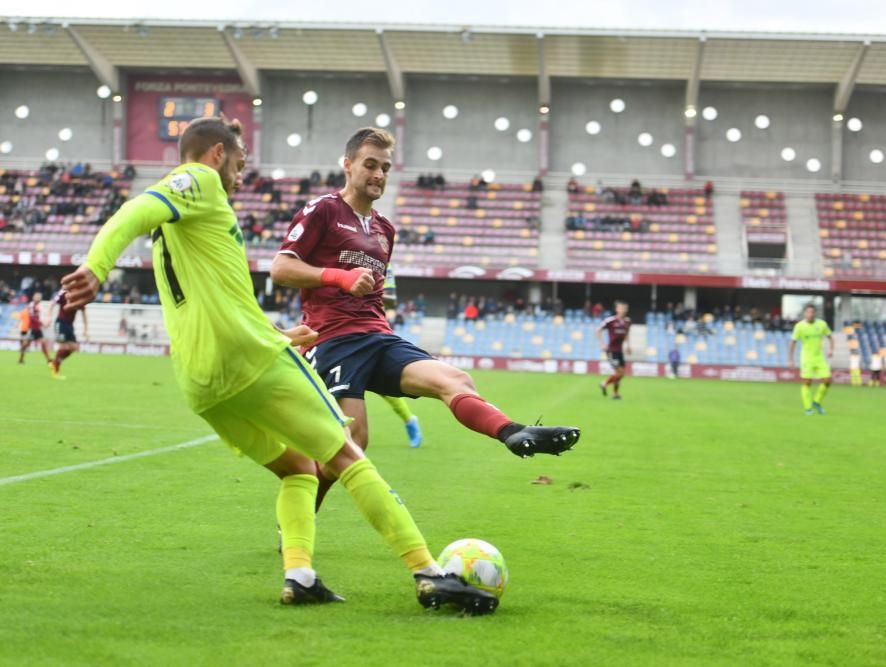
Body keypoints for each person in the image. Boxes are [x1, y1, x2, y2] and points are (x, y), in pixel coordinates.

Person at [59, 115, 496, 614]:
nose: (244, 172)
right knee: (347, 452)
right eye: (241, 160)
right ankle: (429, 574)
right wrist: (96, 267)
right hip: (248, 361)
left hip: (202, 381)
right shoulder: (199, 182)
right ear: (218, 154)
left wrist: (279, 335)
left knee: (299, 469)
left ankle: (300, 575)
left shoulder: (183, 224)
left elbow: (218, 299)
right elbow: (133, 210)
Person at [270, 127, 581, 509]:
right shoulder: (323, 209)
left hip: (378, 337)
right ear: (348, 165)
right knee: (353, 443)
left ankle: (513, 431)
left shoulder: (386, 230)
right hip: (332, 339)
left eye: (385, 167)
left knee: (455, 379)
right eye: (370, 165)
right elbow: (281, 269)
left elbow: (375, 293)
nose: (378, 175)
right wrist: (338, 276)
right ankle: (299, 520)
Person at [381, 264, 422, 448]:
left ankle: (409, 420)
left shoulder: (383, 263)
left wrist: (359, 293)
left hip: (372, 329)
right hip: (339, 331)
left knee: (386, 389)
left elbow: (390, 299)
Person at [788, 304, 833, 415]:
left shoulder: (822, 324)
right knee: (807, 383)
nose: (810, 314)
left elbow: (830, 337)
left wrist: (831, 349)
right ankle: (808, 408)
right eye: (808, 312)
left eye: (812, 312)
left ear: (815, 313)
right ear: (805, 313)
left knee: (827, 380)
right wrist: (790, 359)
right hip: (806, 358)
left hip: (819, 357)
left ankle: (816, 402)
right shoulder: (799, 326)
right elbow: (793, 342)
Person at [47, 288, 89, 379]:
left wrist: (85, 329)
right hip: (61, 323)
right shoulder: (63, 294)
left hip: (70, 325)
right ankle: (56, 372)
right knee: (64, 346)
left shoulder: (80, 299)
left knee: (74, 347)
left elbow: (84, 313)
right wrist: (49, 317)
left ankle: (55, 362)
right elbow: (52, 304)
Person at [597, 301, 632, 400]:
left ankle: (615, 394)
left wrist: (628, 346)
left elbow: (626, 334)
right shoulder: (610, 320)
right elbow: (598, 330)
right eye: (621, 308)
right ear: (617, 309)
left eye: (624, 308)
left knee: (620, 374)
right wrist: (602, 344)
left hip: (620, 351)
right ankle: (604, 383)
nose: (623, 310)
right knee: (620, 373)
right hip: (611, 351)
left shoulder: (627, 321)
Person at [18, 292, 51, 365]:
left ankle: (48, 359)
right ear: (33, 297)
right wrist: (42, 323)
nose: (39, 298)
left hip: (37, 329)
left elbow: (36, 317)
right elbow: (32, 317)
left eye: (40, 297)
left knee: (43, 343)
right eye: (37, 297)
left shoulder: (37, 306)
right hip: (32, 328)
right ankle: (21, 359)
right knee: (26, 344)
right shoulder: (31, 305)